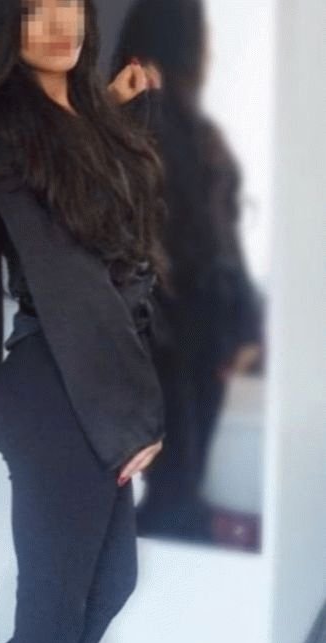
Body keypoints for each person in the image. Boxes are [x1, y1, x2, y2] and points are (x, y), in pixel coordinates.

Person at [0, 2, 170, 643]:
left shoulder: (79, 117)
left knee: (107, 583)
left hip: (91, 383)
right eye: (31, 11)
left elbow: (90, 183)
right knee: (57, 604)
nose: (57, 24)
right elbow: (72, 283)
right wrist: (131, 417)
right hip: (60, 388)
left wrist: (112, 103)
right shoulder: (6, 134)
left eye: (67, 3)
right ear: (2, 30)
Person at [111, 0, 264, 542]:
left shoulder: (181, 124)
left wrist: (241, 325)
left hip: (191, 326)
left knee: (180, 480)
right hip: (169, 330)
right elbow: (198, 231)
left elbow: (216, 230)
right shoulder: (146, 119)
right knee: (176, 482)